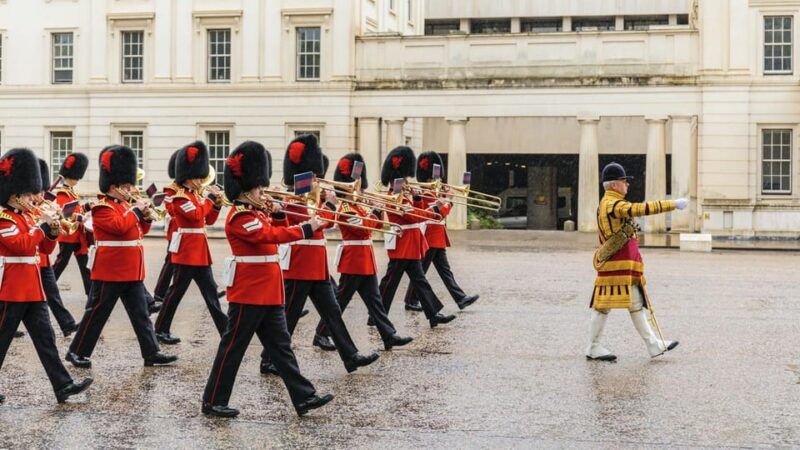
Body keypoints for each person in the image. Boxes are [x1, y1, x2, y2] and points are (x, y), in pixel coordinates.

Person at [202, 140, 333, 418]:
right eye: (258, 188)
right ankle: (213, 400)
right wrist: (307, 228)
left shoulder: (256, 213)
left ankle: (304, 397)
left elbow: (277, 228)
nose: (263, 191)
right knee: (233, 348)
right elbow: (270, 236)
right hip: (249, 293)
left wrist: (280, 213)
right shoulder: (240, 217)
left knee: (281, 348)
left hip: (269, 292)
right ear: (246, 190)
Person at [260, 134, 379, 375]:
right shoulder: (292, 199)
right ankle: (268, 359)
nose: (316, 179)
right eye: (313, 175)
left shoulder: (312, 197)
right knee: (289, 316)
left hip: (317, 266)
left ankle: (350, 356)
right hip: (301, 264)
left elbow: (327, 224)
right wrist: (330, 206)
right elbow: (312, 224)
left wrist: (328, 204)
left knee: (333, 313)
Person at [65, 145, 176, 368]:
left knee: (141, 314)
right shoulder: (102, 208)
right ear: (113, 186)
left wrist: (146, 217)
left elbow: (138, 232)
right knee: (97, 313)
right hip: (110, 270)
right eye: (126, 186)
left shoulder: (126, 205)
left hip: (131, 270)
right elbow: (120, 227)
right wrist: (136, 211)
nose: (130, 189)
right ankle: (76, 352)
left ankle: (151, 352)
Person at [0, 147, 93, 404]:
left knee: (46, 339)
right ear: (14, 194)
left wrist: (52, 231)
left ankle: (63, 385)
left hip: (32, 288)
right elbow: (21, 246)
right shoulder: (4, 220)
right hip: (11, 290)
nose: (32, 198)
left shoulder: (28, 217)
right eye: (27, 194)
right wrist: (42, 227)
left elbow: (44, 249)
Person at [312, 153, 413, 351]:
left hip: (365, 260)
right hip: (354, 261)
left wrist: (377, 211)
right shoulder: (346, 209)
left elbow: (376, 225)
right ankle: (321, 334)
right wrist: (375, 212)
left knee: (375, 302)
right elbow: (364, 229)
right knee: (340, 301)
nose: (359, 188)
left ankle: (388, 335)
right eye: (355, 185)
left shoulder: (357, 206)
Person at [585, 162, 685, 361]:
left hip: (619, 266)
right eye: (624, 181)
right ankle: (594, 347)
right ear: (614, 185)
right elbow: (640, 209)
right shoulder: (612, 204)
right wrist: (672, 204)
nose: (627, 184)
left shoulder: (609, 202)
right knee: (605, 306)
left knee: (629, 304)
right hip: (616, 266)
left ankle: (652, 345)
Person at [153, 141, 227, 345]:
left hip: (200, 251)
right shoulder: (180, 198)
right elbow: (195, 216)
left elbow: (208, 220)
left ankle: (225, 330)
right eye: (198, 177)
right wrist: (209, 200)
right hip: (187, 252)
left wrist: (217, 205)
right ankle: (160, 329)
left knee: (211, 295)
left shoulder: (195, 195)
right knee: (175, 293)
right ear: (188, 176)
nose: (201, 180)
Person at [376, 146, 455, 328]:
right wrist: (438, 207)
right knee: (389, 283)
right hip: (402, 245)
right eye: (404, 179)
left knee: (420, 281)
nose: (407, 182)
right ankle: (376, 315)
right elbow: (414, 217)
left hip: (411, 244)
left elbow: (415, 212)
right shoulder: (394, 197)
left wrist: (418, 199)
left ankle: (433, 314)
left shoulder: (403, 196)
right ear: (396, 179)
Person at [402, 151, 478, 312]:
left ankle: (460, 298)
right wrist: (448, 201)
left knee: (445, 271)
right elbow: (438, 214)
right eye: (434, 177)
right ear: (427, 178)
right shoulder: (425, 193)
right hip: (429, 235)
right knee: (420, 271)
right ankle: (411, 300)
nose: (438, 180)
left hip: (438, 236)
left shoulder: (434, 191)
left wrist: (445, 198)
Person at [36, 159, 78, 337]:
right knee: (13, 300)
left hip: (42, 259)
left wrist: (54, 224)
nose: (39, 194)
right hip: (27, 260)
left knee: (52, 293)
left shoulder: (43, 204)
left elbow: (47, 243)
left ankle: (67, 324)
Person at [52, 152, 92, 296]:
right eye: (76, 177)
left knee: (85, 265)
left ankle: (91, 294)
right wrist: (81, 217)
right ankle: (47, 286)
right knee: (61, 264)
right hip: (68, 235)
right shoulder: (63, 193)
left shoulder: (71, 192)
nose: (78, 179)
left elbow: (76, 209)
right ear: (72, 176)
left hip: (78, 235)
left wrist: (87, 206)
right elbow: (65, 213)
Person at [151, 150, 180, 312]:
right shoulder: (171, 190)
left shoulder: (190, 189)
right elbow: (171, 209)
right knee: (170, 262)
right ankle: (159, 293)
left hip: (189, 233)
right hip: (176, 231)